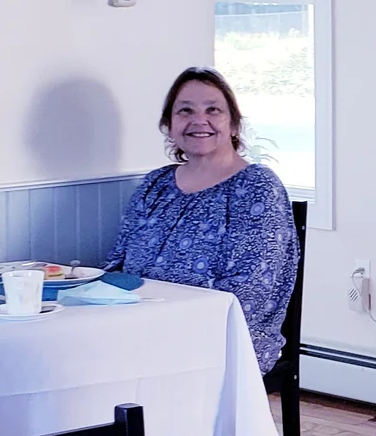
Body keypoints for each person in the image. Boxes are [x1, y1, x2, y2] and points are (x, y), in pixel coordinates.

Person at [107, 67, 300, 372]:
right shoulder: (154, 185)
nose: (199, 121)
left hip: (222, 336)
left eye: (213, 110)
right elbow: (117, 265)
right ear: (169, 126)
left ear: (234, 125)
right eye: (185, 111)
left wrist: (172, 327)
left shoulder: (258, 187)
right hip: (138, 326)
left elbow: (251, 291)